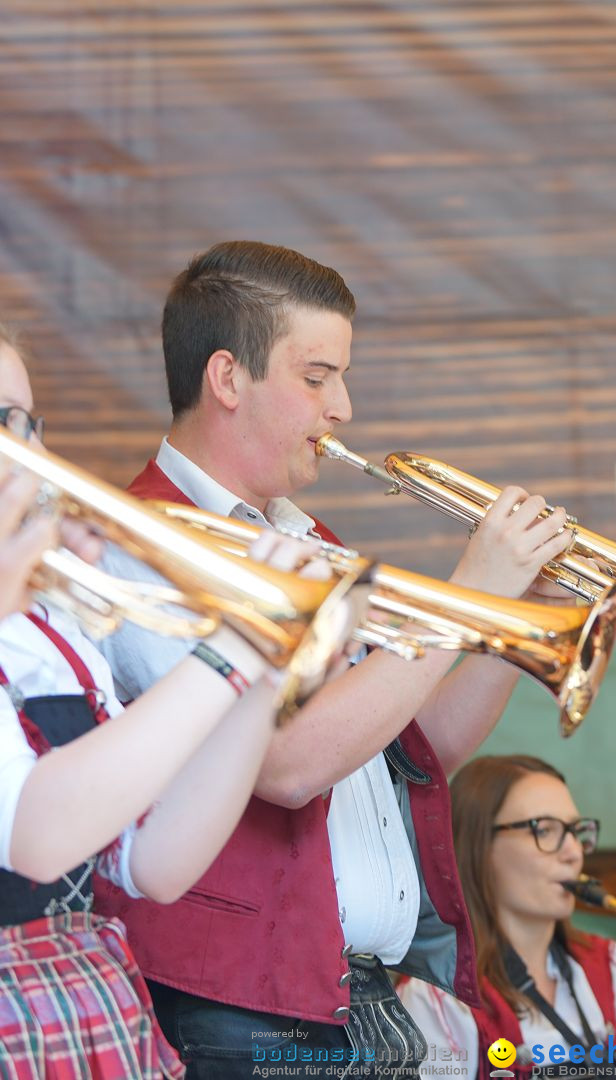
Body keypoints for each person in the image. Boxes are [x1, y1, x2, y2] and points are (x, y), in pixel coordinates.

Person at [95, 239, 579, 1079]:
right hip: (239, 1010)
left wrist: (508, 618)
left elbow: (418, 748)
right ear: (227, 380)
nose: (343, 406)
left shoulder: (308, 541)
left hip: (356, 994)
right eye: (317, 377)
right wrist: (461, 595)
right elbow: (285, 763)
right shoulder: (143, 545)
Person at [0, 325, 335, 1078]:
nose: (24, 451)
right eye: (0, 422)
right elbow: (36, 835)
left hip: (87, 1005)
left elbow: (151, 863)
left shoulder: (48, 625)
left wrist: (266, 676)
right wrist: (236, 646)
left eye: (27, 423)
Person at [398, 755, 616, 1079]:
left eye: (575, 830)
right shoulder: (436, 998)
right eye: (544, 829)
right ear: (479, 846)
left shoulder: (613, 964)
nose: (574, 852)